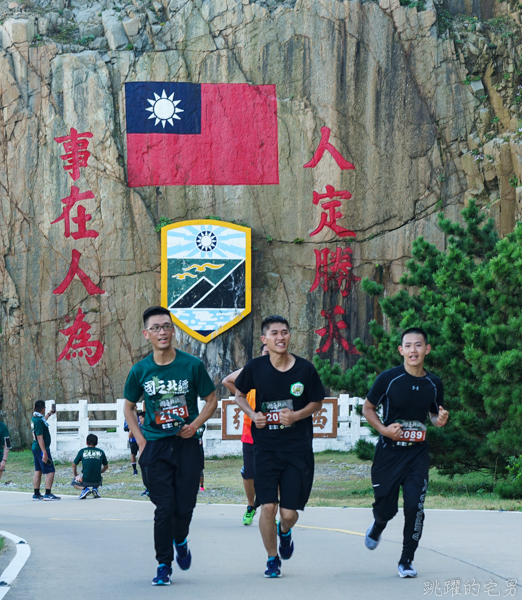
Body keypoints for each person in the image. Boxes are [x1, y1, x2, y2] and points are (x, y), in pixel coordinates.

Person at [123, 306, 218, 586]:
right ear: (146, 334)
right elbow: (129, 408)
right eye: (156, 328)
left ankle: (181, 539)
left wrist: (196, 425)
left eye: (166, 326)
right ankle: (164, 564)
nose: (162, 332)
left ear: (173, 330)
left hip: (187, 445)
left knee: (185, 506)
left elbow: (211, 400)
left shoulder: (191, 365)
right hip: (155, 447)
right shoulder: (140, 370)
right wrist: (141, 441)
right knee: (163, 508)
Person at [234, 316, 325, 578]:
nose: (280, 337)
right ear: (265, 339)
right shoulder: (255, 367)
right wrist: (252, 414)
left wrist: (296, 416)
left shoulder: (305, 370)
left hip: (297, 450)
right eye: (274, 333)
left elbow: (317, 401)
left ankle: (285, 532)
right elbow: (239, 395)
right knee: (268, 508)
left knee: (288, 514)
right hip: (265, 448)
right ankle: (272, 559)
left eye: (285, 332)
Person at [362, 327, 449, 579]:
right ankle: (378, 525)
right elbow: (368, 408)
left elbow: (434, 415)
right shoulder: (388, 379)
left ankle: (406, 560)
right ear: (401, 350)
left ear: (427, 349)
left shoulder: (434, 383)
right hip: (389, 454)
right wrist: (384, 430)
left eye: (418, 345)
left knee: (415, 507)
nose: (413, 350)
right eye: (408, 346)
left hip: (417, 456)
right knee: (386, 508)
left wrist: (439, 419)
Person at [222, 343, 269, 525]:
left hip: (273, 431)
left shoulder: (282, 371)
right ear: (259, 354)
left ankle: (273, 510)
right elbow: (227, 380)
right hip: (251, 431)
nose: (268, 356)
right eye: (265, 352)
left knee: (275, 472)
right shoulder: (251, 370)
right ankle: (251, 505)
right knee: (249, 473)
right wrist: (242, 396)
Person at [31, 400, 60, 501]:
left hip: (35, 448)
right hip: (40, 449)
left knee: (38, 470)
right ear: (43, 409)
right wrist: (44, 452)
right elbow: (40, 437)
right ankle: (48, 493)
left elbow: (44, 420)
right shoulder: (38, 421)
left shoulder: (36, 418)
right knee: (50, 470)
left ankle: (36, 493)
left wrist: (49, 414)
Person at [71, 433, 109, 499]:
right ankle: (95, 488)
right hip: (97, 480)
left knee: (73, 483)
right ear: (96, 443)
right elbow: (106, 466)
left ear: (86, 442)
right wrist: (99, 472)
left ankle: (84, 489)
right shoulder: (101, 452)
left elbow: (74, 465)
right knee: (100, 477)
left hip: (85, 479)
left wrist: (75, 475)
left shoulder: (82, 451)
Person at [124, 404, 139, 475]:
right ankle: (134, 469)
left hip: (141, 437)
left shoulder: (141, 415)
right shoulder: (128, 416)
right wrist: (131, 427)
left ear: (136, 407)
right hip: (132, 439)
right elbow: (125, 428)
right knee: (133, 454)